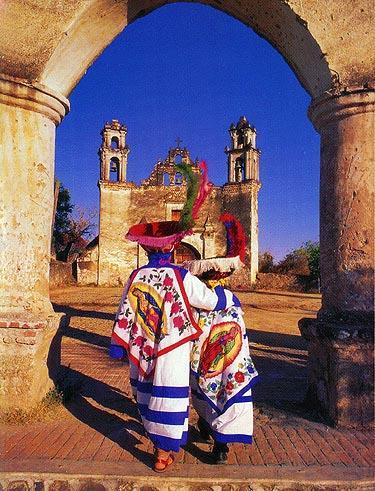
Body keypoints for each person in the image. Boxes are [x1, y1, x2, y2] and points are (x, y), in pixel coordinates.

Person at [110, 163, 239, 472]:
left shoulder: (137, 275)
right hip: (172, 346)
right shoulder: (180, 277)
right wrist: (228, 297)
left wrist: (119, 343)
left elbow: (126, 309)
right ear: (170, 249)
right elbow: (208, 300)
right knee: (169, 395)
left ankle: (158, 445)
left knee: (147, 392)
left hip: (142, 346)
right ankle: (163, 451)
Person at [185, 213, 258, 464]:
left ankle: (220, 443)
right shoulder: (231, 301)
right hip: (228, 359)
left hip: (216, 358)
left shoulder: (202, 301)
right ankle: (216, 437)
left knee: (209, 390)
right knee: (224, 393)